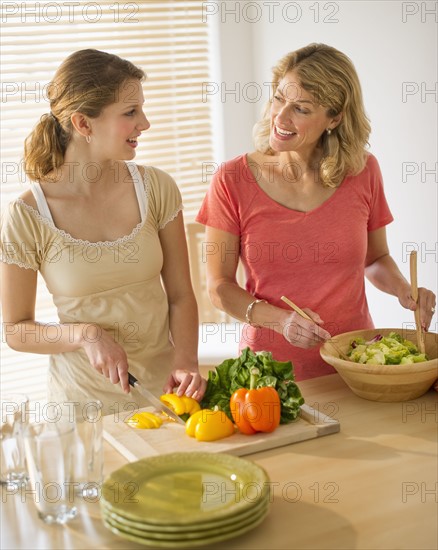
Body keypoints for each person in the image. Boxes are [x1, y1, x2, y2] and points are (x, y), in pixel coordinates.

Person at [196, 43, 436, 381]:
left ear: (334, 117)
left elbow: (375, 257)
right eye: (279, 98)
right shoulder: (232, 179)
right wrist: (281, 321)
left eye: (301, 109)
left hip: (355, 364)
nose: (280, 117)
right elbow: (219, 287)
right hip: (269, 375)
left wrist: (403, 289)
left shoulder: (363, 171)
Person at [1, 49, 206, 414]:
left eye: (141, 109)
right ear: (83, 124)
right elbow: (16, 329)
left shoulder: (156, 188)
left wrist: (187, 361)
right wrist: (85, 334)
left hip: (164, 398)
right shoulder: (29, 214)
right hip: (81, 408)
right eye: (130, 113)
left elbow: (180, 295)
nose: (145, 123)